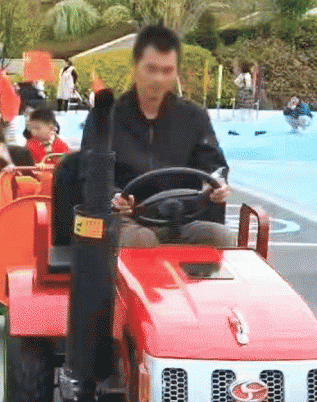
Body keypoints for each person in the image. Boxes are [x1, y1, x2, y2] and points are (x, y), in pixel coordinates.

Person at [80, 24, 234, 249]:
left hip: (181, 218)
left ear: (177, 72)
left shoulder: (194, 116)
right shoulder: (105, 116)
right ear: (135, 66)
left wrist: (218, 184)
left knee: (221, 237)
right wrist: (115, 196)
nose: (159, 79)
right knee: (143, 240)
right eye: (151, 69)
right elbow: (90, 172)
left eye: (167, 71)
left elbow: (215, 165)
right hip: (126, 219)